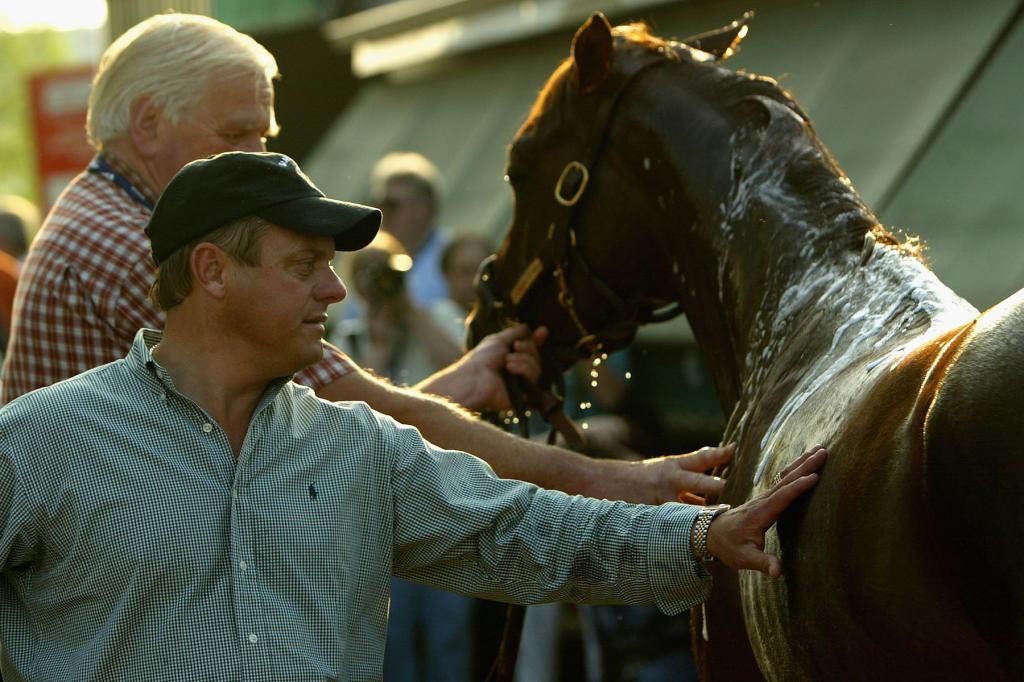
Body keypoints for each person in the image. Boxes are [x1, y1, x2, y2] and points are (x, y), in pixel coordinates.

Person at [0, 151, 828, 680]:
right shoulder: (43, 443)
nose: (335, 290)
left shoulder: (360, 447)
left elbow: (522, 534)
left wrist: (700, 540)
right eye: (306, 266)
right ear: (213, 272)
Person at [0, 12, 732, 506]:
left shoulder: (117, 215)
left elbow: (318, 413)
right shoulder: (139, 242)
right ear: (148, 123)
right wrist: (609, 480)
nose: (259, 160)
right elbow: (350, 410)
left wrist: (451, 389)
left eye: (265, 137)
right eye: (236, 135)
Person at [370, 151, 450, 309]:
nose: (382, 213)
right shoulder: (370, 260)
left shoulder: (455, 259)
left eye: (391, 205)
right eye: (379, 205)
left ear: (423, 209)